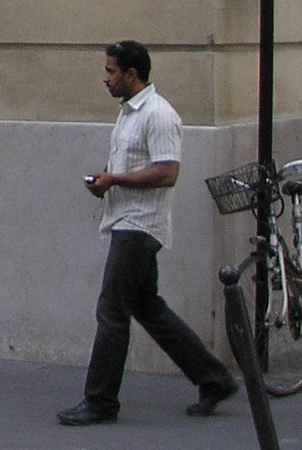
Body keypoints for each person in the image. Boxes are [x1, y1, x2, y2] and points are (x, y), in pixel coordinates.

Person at [57, 39, 238, 426]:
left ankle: (100, 400)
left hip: (139, 226)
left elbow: (168, 172)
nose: (105, 78)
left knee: (111, 311)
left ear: (132, 74)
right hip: (127, 221)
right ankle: (213, 377)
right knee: (147, 307)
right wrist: (109, 181)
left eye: (111, 71)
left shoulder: (158, 114)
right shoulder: (129, 113)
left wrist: (115, 180)